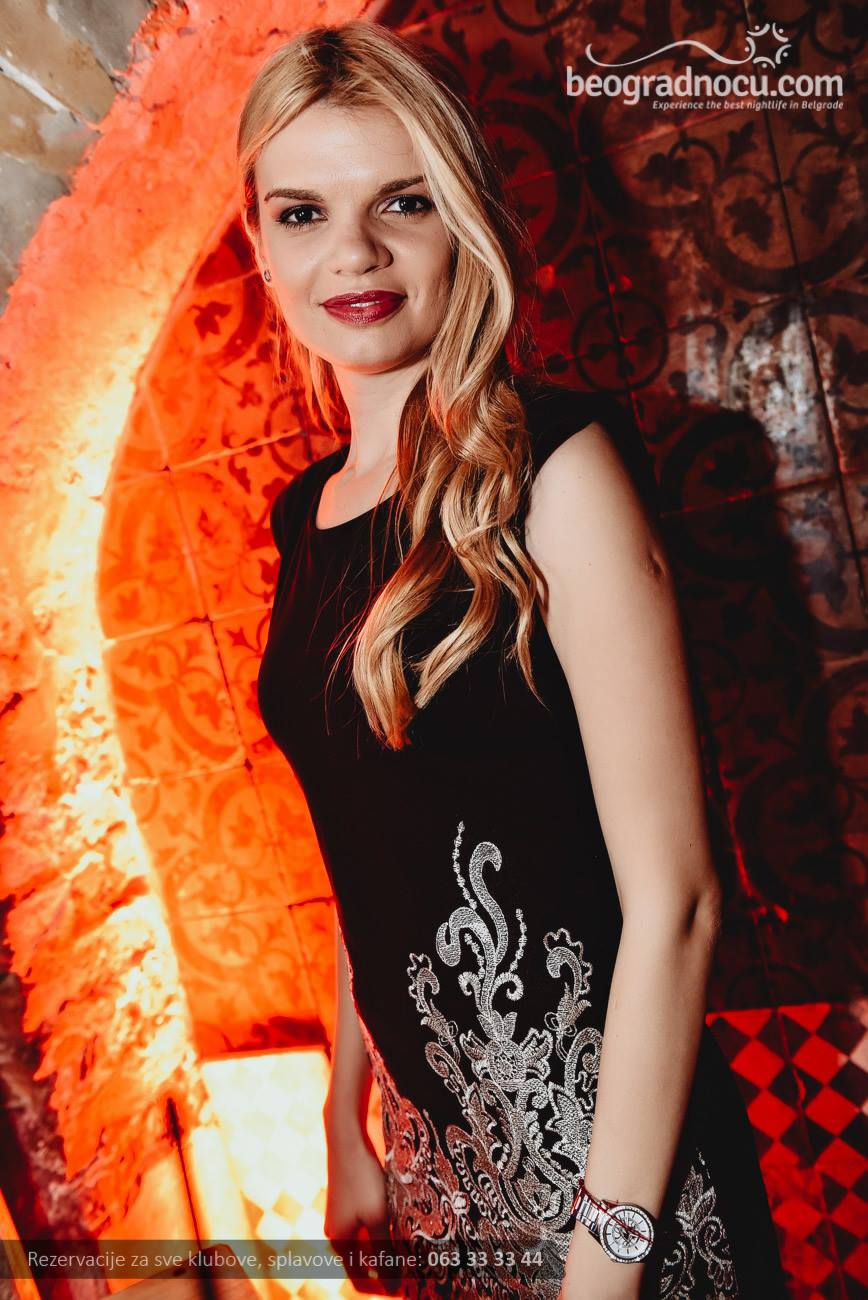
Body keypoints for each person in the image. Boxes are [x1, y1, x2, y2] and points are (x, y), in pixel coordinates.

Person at [239, 19, 787, 1300]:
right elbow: (370, 841)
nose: (353, 253)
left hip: (623, 1183)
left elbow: (679, 901)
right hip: (446, 1187)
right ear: (259, 241)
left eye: (402, 201)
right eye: (303, 212)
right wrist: (344, 1115)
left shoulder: (558, 470)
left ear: (464, 216)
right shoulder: (301, 516)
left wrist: (608, 1258)